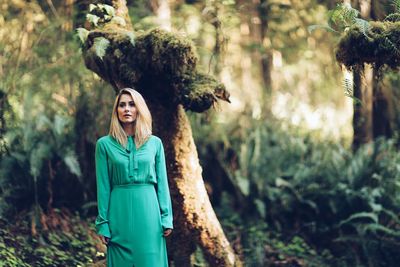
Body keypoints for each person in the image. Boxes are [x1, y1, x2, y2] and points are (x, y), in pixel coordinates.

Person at [94, 88, 173, 266]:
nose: (127, 109)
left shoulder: (155, 143)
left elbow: (162, 184)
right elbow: (103, 187)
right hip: (118, 215)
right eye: (122, 105)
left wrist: (166, 217)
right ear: (116, 111)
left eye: (132, 104)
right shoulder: (104, 145)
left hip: (149, 215)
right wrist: (103, 223)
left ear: (139, 109)